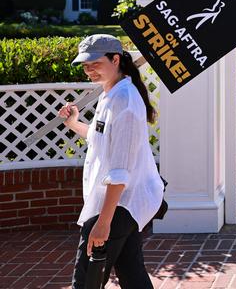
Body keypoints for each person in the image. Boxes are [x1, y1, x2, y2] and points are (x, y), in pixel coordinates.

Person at [59, 34, 164, 288]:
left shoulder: (125, 101)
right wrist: (73, 123)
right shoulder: (112, 93)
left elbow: (121, 171)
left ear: (115, 59)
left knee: (86, 281)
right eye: (85, 65)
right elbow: (101, 138)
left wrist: (102, 223)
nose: (88, 70)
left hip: (120, 203)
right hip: (122, 203)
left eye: (94, 63)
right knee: (132, 275)